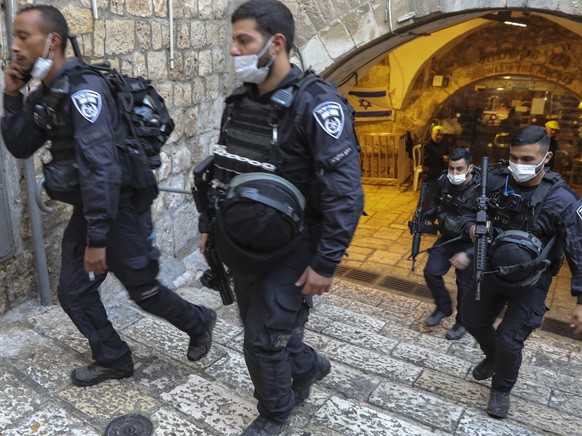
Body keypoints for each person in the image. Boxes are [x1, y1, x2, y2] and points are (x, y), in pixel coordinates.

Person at [1, 5, 216, 387]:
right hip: (92, 208)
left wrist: (97, 240)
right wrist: (13, 96)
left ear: (52, 41)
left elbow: (101, 168)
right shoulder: (45, 94)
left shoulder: (85, 91)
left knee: (144, 291)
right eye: (13, 36)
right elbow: (20, 146)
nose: (14, 45)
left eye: (23, 36)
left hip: (122, 209)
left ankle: (199, 321)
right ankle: (114, 358)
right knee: (73, 291)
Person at [198, 1, 364, 434]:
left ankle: (275, 414)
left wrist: (325, 262)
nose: (234, 51)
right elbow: (223, 170)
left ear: (276, 43)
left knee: (263, 338)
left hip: (294, 246)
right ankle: (307, 367)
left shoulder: (318, 106)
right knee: (266, 327)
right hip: (243, 241)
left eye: (243, 40)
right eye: (233, 40)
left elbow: (345, 194)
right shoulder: (240, 100)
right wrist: (206, 228)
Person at [459, 125, 582, 419]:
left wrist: (580, 300)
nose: (519, 165)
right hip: (491, 269)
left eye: (527, 159)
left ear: (546, 157)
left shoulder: (562, 200)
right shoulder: (494, 182)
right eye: (514, 157)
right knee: (470, 318)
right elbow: (464, 211)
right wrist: (471, 227)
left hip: (532, 280)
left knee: (509, 339)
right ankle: (493, 357)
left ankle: (501, 388)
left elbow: (578, 249)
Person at [424, 148, 479, 340]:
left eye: (459, 169)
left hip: (469, 244)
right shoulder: (443, 181)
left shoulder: (481, 189)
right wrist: (427, 218)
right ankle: (443, 307)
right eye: (451, 168)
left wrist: (470, 253)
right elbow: (435, 203)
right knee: (431, 271)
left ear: (470, 167)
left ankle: (462, 322)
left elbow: (488, 231)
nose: (454, 173)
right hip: (447, 238)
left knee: (464, 286)